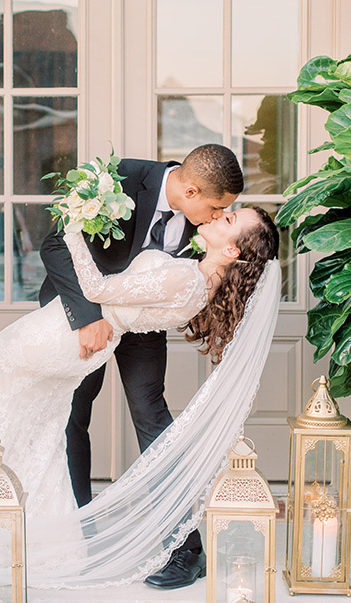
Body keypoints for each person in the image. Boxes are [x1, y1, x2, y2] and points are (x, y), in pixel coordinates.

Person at [0, 195, 280, 589]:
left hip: (56, 339)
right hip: (79, 347)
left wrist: (71, 226)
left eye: (230, 217)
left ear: (233, 248)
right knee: (30, 426)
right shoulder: (202, 282)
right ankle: (35, 525)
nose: (220, 215)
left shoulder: (188, 279)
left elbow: (98, 288)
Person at [38, 144, 243, 589]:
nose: (215, 218)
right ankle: (79, 535)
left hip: (143, 325)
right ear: (190, 190)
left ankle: (186, 549)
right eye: (213, 208)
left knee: (152, 418)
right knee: (73, 418)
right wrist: (87, 319)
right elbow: (54, 245)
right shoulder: (117, 179)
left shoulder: (202, 226)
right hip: (82, 319)